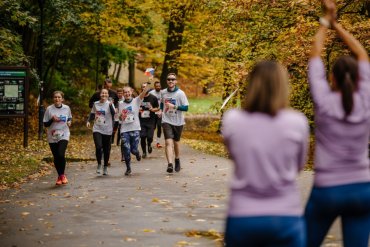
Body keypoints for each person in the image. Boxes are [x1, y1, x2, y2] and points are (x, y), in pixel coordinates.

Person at [222, 61, 309, 246]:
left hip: (243, 216)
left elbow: (234, 154)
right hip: (285, 215)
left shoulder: (233, 120)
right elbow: (299, 166)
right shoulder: (297, 122)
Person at [304, 1, 370, 246]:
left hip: (328, 189)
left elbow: (315, 54)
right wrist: (338, 26)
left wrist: (326, 21)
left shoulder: (324, 100)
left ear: (331, 78)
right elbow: (362, 54)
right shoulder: (366, 98)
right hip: (362, 189)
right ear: (359, 78)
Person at [118, 85, 150, 176]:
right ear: (123, 94)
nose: (127, 94)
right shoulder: (120, 103)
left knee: (133, 150)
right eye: (125, 92)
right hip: (124, 130)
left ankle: (137, 153)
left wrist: (147, 86)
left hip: (135, 129)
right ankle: (128, 168)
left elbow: (143, 94)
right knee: (126, 150)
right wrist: (121, 116)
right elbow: (119, 117)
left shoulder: (136, 100)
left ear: (131, 92)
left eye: (128, 92)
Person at [161, 73, 189, 173]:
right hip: (166, 120)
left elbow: (186, 108)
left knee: (176, 143)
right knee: (168, 142)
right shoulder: (163, 92)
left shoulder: (180, 93)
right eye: (169, 79)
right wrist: (161, 111)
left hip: (178, 121)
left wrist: (175, 106)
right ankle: (170, 164)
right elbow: (162, 103)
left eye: (173, 79)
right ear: (166, 81)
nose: (171, 81)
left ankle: (177, 159)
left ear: (175, 81)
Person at [43, 91, 72, 185]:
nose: (57, 99)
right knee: (56, 156)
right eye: (55, 97)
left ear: (62, 99)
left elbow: (69, 118)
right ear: (53, 99)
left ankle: (62, 175)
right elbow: (45, 124)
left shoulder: (66, 108)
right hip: (52, 135)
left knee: (60, 154)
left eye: (59, 97)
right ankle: (60, 176)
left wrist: (69, 122)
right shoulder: (49, 109)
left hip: (64, 134)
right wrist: (52, 119)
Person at [86, 89, 115, 176]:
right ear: (100, 94)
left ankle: (105, 166)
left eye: (106, 93)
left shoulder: (110, 104)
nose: (104, 94)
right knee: (98, 147)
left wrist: (110, 105)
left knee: (106, 149)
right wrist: (88, 121)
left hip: (107, 129)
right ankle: (99, 164)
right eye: (102, 93)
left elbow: (114, 114)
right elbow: (92, 113)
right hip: (97, 128)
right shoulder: (96, 103)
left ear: (108, 95)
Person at [88, 77, 119, 145]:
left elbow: (117, 102)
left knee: (109, 132)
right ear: (104, 85)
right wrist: (97, 106)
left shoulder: (113, 93)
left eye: (110, 87)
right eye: (107, 87)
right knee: (99, 143)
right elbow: (90, 103)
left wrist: (116, 107)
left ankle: (110, 140)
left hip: (110, 116)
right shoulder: (97, 94)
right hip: (100, 117)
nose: (109, 89)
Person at [139, 82, 159, 158]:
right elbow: (135, 107)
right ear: (141, 89)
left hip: (151, 121)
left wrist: (152, 109)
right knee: (143, 136)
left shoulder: (153, 98)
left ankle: (149, 144)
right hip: (141, 121)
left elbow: (157, 108)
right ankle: (144, 152)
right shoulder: (139, 97)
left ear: (148, 88)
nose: (144, 88)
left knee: (150, 137)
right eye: (143, 87)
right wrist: (139, 109)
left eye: (145, 87)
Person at [149, 81, 163, 148]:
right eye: (157, 86)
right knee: (152, 127)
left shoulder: (163, 93)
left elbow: (164, 103)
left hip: (160, 112)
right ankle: (150, 140)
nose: (158, 87)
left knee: (159, 126)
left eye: (159, 86)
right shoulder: (151, 93)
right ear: (154, 87)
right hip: (153, 112)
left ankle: (158, 142)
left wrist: (161, 111)